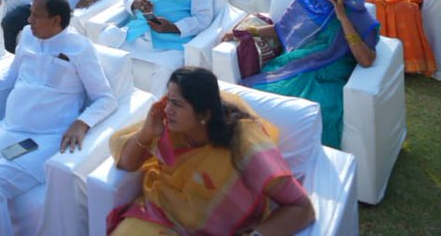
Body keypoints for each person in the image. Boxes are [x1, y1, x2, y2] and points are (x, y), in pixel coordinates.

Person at [0, 0, 117, 236]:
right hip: (7, 129)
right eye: (30, 14)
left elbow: (106, 98)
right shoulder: (28, 39)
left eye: (35, 16)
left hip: (40, 140)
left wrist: (82, 122)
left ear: (56, 20)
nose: (28, 21)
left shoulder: (79, 48)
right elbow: (11, 75)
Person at [109, 67, 316, 235]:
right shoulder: (167, 126)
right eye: (168, 100)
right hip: (162, 214)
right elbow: (127, 163)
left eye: (176, 104)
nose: (167, 109)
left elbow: (301, 207)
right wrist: (146, 132)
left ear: (204, 114)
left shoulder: (245, 143)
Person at [232, 0, 379, 148]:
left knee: (318, 109)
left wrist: (342, 17)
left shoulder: (357, 15)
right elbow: (281, 30)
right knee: (258, 96)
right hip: (294, 65)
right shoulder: (306, 5)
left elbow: (366, 60)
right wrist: (248, 31)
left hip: (330, 74)